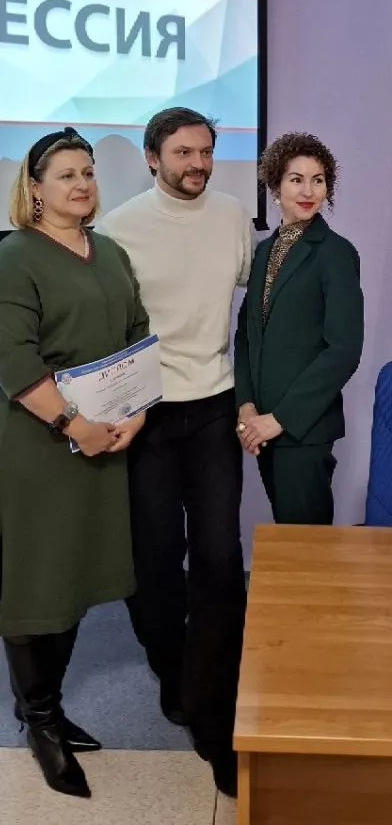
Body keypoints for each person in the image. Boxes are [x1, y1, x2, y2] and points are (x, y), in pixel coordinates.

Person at [101, 106, 252, 798]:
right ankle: (172, 671)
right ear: (152, 157)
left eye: (206, 152)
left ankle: (212, 695)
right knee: (156, 560)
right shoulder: (120, 228)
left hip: (215, 404)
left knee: (220, 558)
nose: (198, 164)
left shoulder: (232, 218)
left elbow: (257, 303)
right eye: (184, 152)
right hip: (149, 415)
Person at [0, 127, 149, 800]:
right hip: (39, 448)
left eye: (87, 171)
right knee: (36, 583)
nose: (82, 183)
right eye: (65, 174)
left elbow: (137, 333)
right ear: (34, 188)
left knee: (76, 575)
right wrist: (71, 424)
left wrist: (136, 411)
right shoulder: (15, 258)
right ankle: (40, 722)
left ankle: (48, 705)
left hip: (104, 441)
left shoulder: (110, 252)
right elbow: (13, 358)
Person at [234, 132, 364, 525]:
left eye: (318, 180)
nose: (308, 191)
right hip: (262, 425)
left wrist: (281, 419)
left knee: (309, 548)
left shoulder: (336, 253)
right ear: (275, 187)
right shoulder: (264, 251)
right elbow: (247, 336)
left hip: (303, 430)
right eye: (296, 179)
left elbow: (343, 350)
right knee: (288, 542)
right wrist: (247, 407)